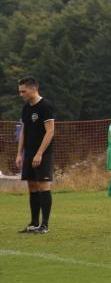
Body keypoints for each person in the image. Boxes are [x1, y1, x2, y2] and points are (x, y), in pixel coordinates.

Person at [16, 77, 55, 234]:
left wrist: (39, 153)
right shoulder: (26, 108)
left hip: (43, 153)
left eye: (23, 91)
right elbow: (23, 131)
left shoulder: (45, 105)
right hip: (29, 153)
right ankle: (34, 223)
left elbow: (50, 131)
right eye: (20, 92)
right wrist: (19, 153)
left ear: (33, 89)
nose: (21, 94)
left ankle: (44, 225)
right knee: (32, 186)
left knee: (43, 185)